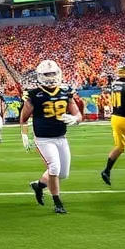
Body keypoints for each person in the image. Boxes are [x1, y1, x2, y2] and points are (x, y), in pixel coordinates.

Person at [20, 60, 81, 214]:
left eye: (53, 73)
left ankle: (39, 185)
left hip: (61, 137)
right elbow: (24, 117)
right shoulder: (34, 94)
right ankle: (57, 202)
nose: (51, 77)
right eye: (47, 74)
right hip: (44, 138)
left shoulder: (66, 90)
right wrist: (24, 135)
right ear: (40, 76)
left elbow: (78, 114)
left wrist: (75, 119)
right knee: (54, 167)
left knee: (63, 174)